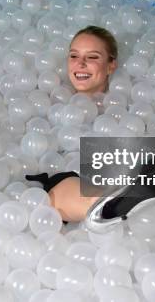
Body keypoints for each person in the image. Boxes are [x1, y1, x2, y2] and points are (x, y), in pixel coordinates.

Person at [27, 26, 118, 222]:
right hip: (58, 178)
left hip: (103, 178)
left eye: (92, 57)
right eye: (74, 56)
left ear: (111, 65)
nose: (81, 64)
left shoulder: (123, 111)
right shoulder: (48, 101)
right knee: (100, 203)